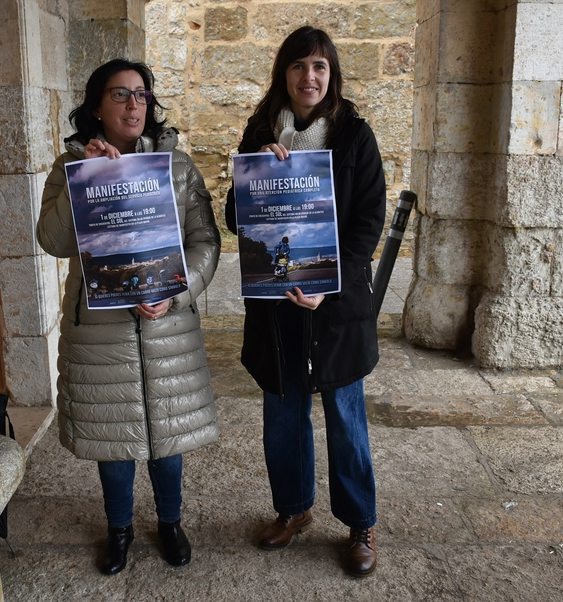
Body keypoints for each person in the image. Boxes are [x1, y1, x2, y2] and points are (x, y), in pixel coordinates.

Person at [36, 59, 221, 575]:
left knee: (168, 435)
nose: (133, 104)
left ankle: (170, 522)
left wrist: (176, 294)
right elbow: (51, 241)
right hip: (100, 330)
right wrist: (84, 180)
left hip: (167, 324)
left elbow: (205, 242)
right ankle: (118, 529)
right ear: (97, 106)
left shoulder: (176, 166)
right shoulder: (70, 166)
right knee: (111, 438)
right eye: (119, 94)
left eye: (141, 94)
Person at [225, 26, 386, 577]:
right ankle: (294, 509)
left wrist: (328, 282)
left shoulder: (355, 135)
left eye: (319, 66)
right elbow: (235, 219)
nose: (308, 77)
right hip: (276, 304)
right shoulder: (259, 132)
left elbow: (368, 223)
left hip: (334, 305)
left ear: (330, 74)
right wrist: (256, 174)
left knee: (345, 417)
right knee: (283, 415)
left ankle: (360, 522)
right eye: (298, 66)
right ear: (284, 74)